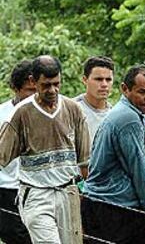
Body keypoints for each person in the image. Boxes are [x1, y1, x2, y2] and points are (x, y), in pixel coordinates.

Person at [0, 55, 90, 244]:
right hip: (37, 195)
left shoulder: (73, 110)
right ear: (34, 81)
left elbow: (84, 162)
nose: (52, 90)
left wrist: (85, 196)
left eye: (56, 84)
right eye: (46, 85)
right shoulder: (21, 114)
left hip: (68, 192)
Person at [82, 64, 145, 244]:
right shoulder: (128, 119)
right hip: (114, 210)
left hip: (107, 206)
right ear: (125, 89)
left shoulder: (134, 114)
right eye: (143, 92)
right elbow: (141, 171)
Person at [0, 60, 35, 244]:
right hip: (8, 191)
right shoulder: (3, 115)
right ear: (15, 88)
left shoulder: (45, 115)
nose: (33, 97)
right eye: (29, 91)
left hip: (37, 191)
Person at [74, 56, 114, 143]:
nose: (104, 84)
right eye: (98, 79)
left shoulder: (115, 115)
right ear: (85, 80)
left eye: (108, 79)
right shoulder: (72, 109)